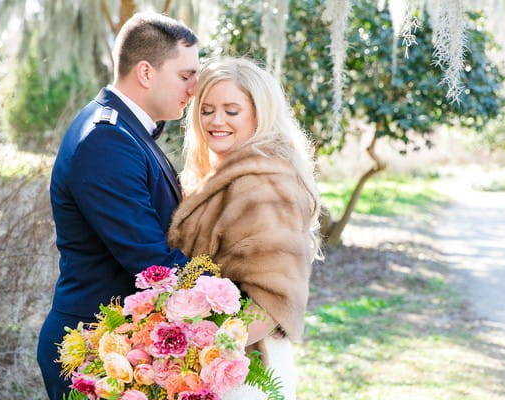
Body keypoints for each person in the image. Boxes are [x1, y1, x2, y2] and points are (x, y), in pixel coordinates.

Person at [37, 12, 199, 399]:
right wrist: (243, 295)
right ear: (146, 72)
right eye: (185, 75)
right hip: (91, 352)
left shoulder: (127, 132)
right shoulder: (106, 140)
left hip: (121, 347)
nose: (195, 88)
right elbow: (151, 265)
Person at [168, 57, 321, 400]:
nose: (215, 121)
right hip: (218, 369)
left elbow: (271, 301)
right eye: (206, 110)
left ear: (259, 113)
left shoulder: (264, 185)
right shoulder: (223, 176)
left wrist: (202, 351)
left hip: (244, 372)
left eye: (231, 110)